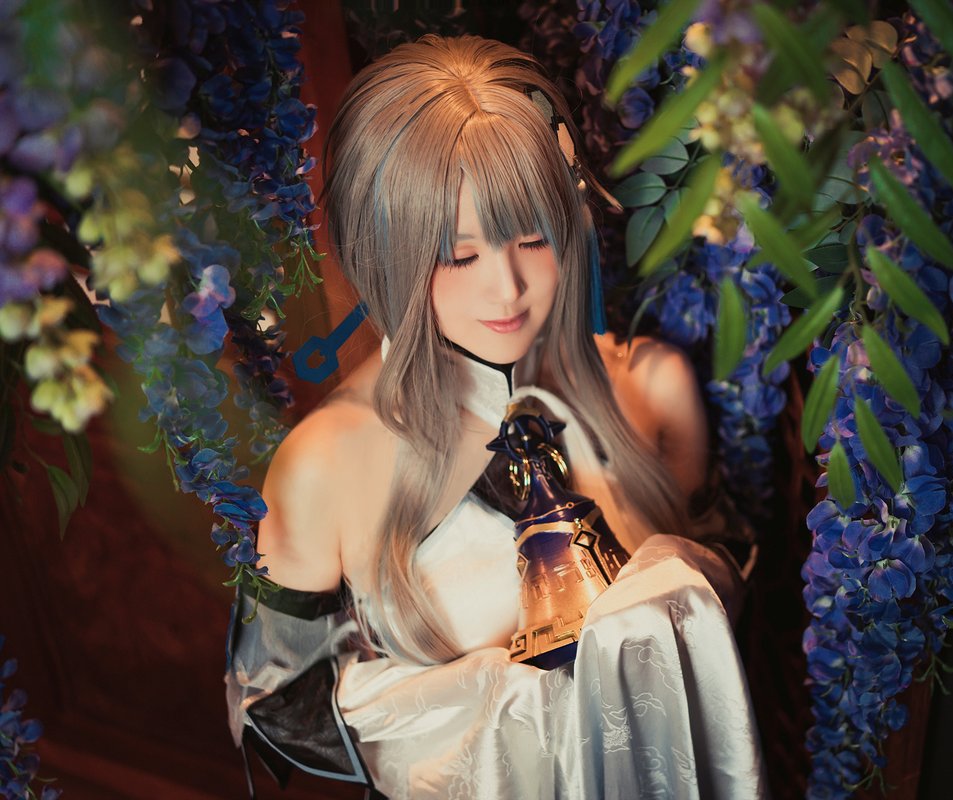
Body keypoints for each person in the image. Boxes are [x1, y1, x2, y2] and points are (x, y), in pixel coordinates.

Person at [224, 33, 766, 799]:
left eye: (533, 236)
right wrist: (490, 701)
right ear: (383, 253)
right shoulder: (325, 464)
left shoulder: (652, 388)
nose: (507, 288)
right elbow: (274, 700)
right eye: (458, 254)